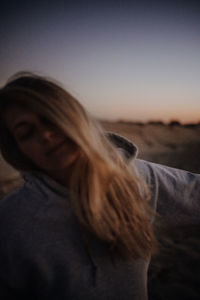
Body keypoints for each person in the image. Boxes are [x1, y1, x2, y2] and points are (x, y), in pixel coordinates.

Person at [0, 72, 199, 300]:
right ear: (18, 150)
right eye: (26, 133)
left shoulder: (136, 178)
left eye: (49, 118)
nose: (45, 135)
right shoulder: (11, 224)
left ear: (74, 116)